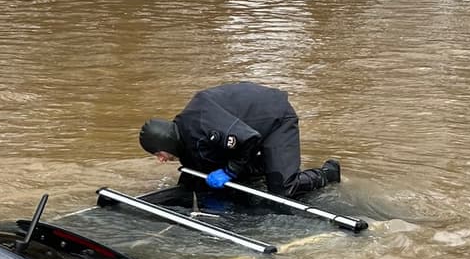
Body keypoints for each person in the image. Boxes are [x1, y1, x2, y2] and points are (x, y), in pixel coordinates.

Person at [139, 82, 340, 201]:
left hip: (275, 118)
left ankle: (329, 172)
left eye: (158, 153)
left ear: (165, 142)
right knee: (219, 169)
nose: (160, 159)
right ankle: (267, 166)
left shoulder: (203, 125)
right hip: (246, 127)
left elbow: (248, 139)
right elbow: (197, 168)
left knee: (283, 190)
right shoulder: (185, 134)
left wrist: (229, 171)